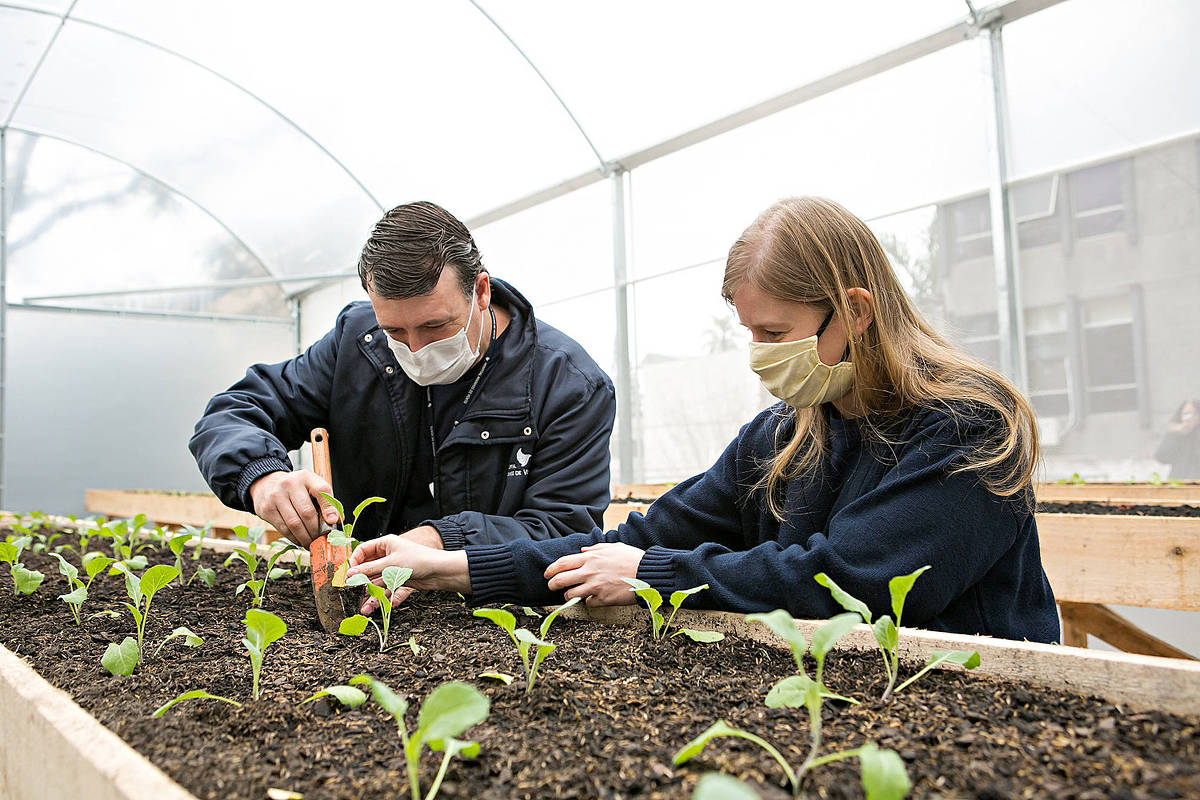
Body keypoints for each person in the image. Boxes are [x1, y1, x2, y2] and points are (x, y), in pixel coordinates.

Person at [345, 197, 1060, 644]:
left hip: (980, 703)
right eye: (749, 332)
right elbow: (632, 542)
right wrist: (458, 567)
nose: (758, 358)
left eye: (775, 334)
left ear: (857, 310)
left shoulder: (967, 428)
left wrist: (656, 575)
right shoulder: (785, 437)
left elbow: (854, 581)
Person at [189, 201, 616, 557]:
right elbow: (236, 411)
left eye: (435, 327)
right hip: (365, 603)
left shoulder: (569, 385)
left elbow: (565, 530)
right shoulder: (357, 343)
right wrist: (262, 477)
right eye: (396, 331)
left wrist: (442, 541)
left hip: (487, 609)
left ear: (480, 292)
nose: (414, 349)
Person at [1154, 399, 1200, 480]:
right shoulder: (1177, 434)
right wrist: (1174, 434)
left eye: (1191, 414)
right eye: (1185, 414)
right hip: (1179, 483)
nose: (1187, 418)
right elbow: (1161, 457)